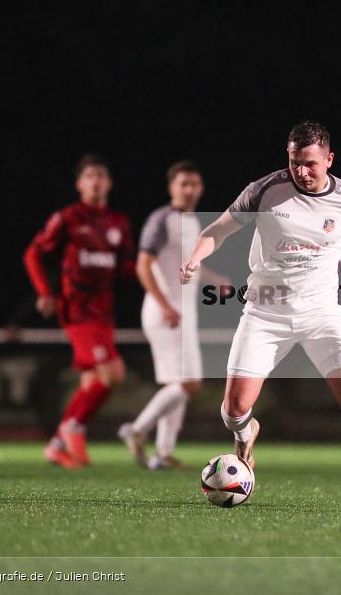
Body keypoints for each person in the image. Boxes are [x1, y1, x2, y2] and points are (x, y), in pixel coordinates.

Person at [180, 121, 341, 513]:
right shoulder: (264, 191)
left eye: (311, 164)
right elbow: (218, 229)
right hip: (265, 311)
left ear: (329, 159)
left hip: (322, 314)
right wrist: (196, 255)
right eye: (296, 162)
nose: (302, 171)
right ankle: (247, 434)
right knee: (232, 412)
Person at [25, 154, 135, 469]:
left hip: (104, 310)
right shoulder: (67, 218)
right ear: (79, 184)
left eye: (101, 175)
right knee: (113, 373)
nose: (96, 181)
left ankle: (57, 445)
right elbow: (33, 252)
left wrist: (154, 272)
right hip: (77, 308)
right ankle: (73, 428)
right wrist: (44, 292)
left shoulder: (119, 223)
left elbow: (124, 269)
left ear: (110, 183)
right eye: (90, 176)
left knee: (91, 384)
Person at [119, 161, 227, 470]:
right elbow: (143, 265)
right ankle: (138, 429)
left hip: (181, 315)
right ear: (171, 188)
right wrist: (165, 304)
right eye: (184, 184)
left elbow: (188, 265)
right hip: (166, 313)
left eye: (195, 184)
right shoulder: (161, 219)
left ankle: (163, 453)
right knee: (190, 383)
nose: (190, 189)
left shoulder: (192, 221)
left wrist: (215, 279)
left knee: (176, 386)